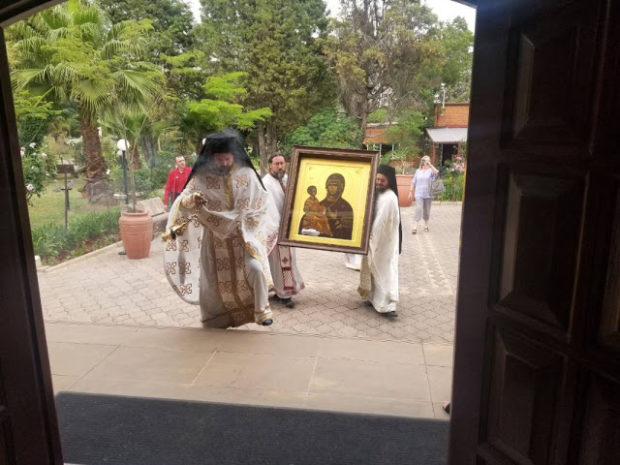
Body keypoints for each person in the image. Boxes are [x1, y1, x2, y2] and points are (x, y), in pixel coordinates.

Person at [163, 130, 279, 328]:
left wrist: (248, 221)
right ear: (211, 157)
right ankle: (217, 319)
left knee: (255, 268)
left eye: (227, 159)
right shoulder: (202, 176)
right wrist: (193, 200)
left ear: (234, 156)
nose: (223, 163)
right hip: (214, 240)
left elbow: (262, 201)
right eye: (219, 159)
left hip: (243, 237)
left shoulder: (247, 174)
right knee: (212, 283)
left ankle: (262, 311)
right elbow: (184, 199)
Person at [262, 153, 305, 308]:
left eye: (282, 163)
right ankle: (284, 294)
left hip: (288, 228)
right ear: (270, 165)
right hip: (275, 229)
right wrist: (279, 226)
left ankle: (282, 291)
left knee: (288, 260)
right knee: (278, 263)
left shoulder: (288, 180)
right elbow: (268, 208)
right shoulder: (265, 183)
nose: (280, 166)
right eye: (277, 164)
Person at [358, 165, 402, 317]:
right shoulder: (378, 194)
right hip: (376, 240)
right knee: (373, 268)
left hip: (385, 242)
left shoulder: (390, 197)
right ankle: (372, 299)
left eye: (382, 180)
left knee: (385, 271)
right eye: (377, 179)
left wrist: (370, 239)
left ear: (389, 181)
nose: (379, 182)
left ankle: (387, 306)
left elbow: (380, 223)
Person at [408, 155, 439, 234]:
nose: (427, 162)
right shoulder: (418, 171)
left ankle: (426, 225)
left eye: (428, 160)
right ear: (422, 162)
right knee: (418, 208)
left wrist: (430, 165)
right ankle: (415, 226)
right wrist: (410, 191)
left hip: (428, 194)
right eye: (425, 160)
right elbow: (413, 181)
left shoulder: (431, 171)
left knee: (427, 211)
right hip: (419, 194)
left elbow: (437, 173)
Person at [320, 173, 354, 240]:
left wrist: (335, 219)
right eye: (330, 185)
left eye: (335, 185)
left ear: (340, 187)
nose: (332, 187)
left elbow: (347, 231)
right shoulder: (320, 204)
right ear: (327, 187)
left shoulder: (346, 207)